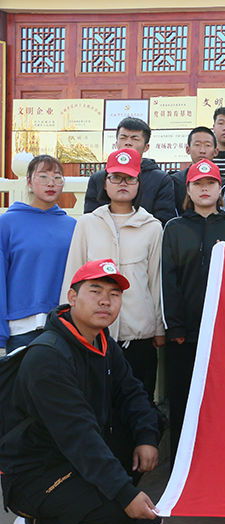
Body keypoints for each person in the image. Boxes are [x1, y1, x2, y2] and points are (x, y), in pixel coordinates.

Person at [1, 259, 162, 524]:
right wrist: (125, 494)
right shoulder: (48, 357)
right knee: (111, 516)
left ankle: (95, 498)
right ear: (72, 297)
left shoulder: (103, 342)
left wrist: (147, 437)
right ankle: (34, 523)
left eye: (114, 294)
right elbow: (78, 433)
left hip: (74, 456)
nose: (105, 301)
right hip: (34, 471)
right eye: (95, 291)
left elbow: (132, 393)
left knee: (146, 423)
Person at [62, 148, 164, 405]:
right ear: (105, 183)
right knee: (93, 402)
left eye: (130, 178)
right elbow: (73, 273)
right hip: (92, 333)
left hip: (137, 334)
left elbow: (155, 280)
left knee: (137, 401)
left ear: (139, 183)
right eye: (116, 177)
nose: (123, 184)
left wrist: (158, 328)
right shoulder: (87, 223)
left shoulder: (152, 227)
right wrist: (66, 322)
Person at [162, 159, 225, 464]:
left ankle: (216, 461)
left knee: (219, 398)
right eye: (198, 184)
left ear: (220, 189)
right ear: (188, 189)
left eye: (211, 183)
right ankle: (180, 465)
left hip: (221, 333)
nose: (205, 189)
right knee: (182, 399)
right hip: (184, 334)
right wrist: (175, 327)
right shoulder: (174, 228)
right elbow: (167, 279)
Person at [0, 155, 75, 353]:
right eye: (43, 176)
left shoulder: (73, 227)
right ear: (29, 181)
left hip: (63, 325)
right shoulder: (7, 224)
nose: (51, 183)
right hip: (20, 326)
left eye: (57, 177)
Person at [84, 117, 175, 225]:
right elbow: (90, 220)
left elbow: (163, 221)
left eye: (135, 139)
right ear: (116, 143)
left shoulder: (160, 179)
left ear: (146, 147)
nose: (128, 143)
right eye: (123, 138)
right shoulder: (99, 178)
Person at [171, 127, 219, 215]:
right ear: (188, 149)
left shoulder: (224, 181)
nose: (202, 151)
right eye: (197, 145)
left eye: (208, 145)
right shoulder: (175, 181)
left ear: (216, 151)